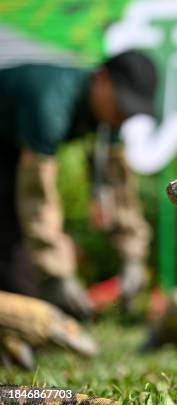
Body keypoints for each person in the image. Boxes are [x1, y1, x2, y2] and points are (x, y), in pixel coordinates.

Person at [0, 50, 157, 319]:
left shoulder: (111, 119)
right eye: (121, 104)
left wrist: (133, 256)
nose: (123, 116)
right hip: (7, 145)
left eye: (130, 111)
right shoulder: (50, 104)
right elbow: (36, 196)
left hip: (10, 144)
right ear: (101, 78)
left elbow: (117, 188)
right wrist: (56, 273)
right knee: (11, 244)